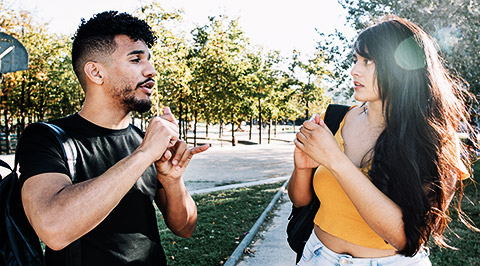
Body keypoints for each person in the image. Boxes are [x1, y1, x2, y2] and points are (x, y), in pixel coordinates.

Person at [16, 11, 209, 265]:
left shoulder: (144, 139)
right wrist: (143, 155)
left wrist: (172, 180)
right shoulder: (45, 138)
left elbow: (185, 227)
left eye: (149, 60)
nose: (151, 71)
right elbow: (54, 229)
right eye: (135, 60)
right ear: (96, 73)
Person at [288, 16, 476, 265]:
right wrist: (302, 168)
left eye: (368, 61)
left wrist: (335, 160)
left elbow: (406, 238)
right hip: (317, 255)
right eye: (355, 60)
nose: (354, 70)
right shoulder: (334, 119)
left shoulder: (437, 142)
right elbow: (300, 200)